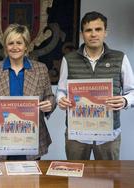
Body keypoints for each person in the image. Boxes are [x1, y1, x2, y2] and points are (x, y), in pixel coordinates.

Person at [57, 11, 134, 160]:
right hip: (77, 135)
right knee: (76, 180)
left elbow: (132, 92)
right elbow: (61, 90)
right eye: (88, 30)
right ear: (82, 34)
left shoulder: (120, 57)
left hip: (109, 136)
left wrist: (125, 101)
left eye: (98, 29)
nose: (93, 34)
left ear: (105, 32)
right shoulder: (69, 59)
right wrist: (61, 99)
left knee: (108, 180)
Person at [0, 24, 56, 160]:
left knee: (30, 180)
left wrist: (50, 104)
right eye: (10, 43)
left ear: (26, 46)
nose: (15, 47)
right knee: (1, 180)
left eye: (19, 42)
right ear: (6, 46)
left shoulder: (41, 69)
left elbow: (50, 96)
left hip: (31, 135)